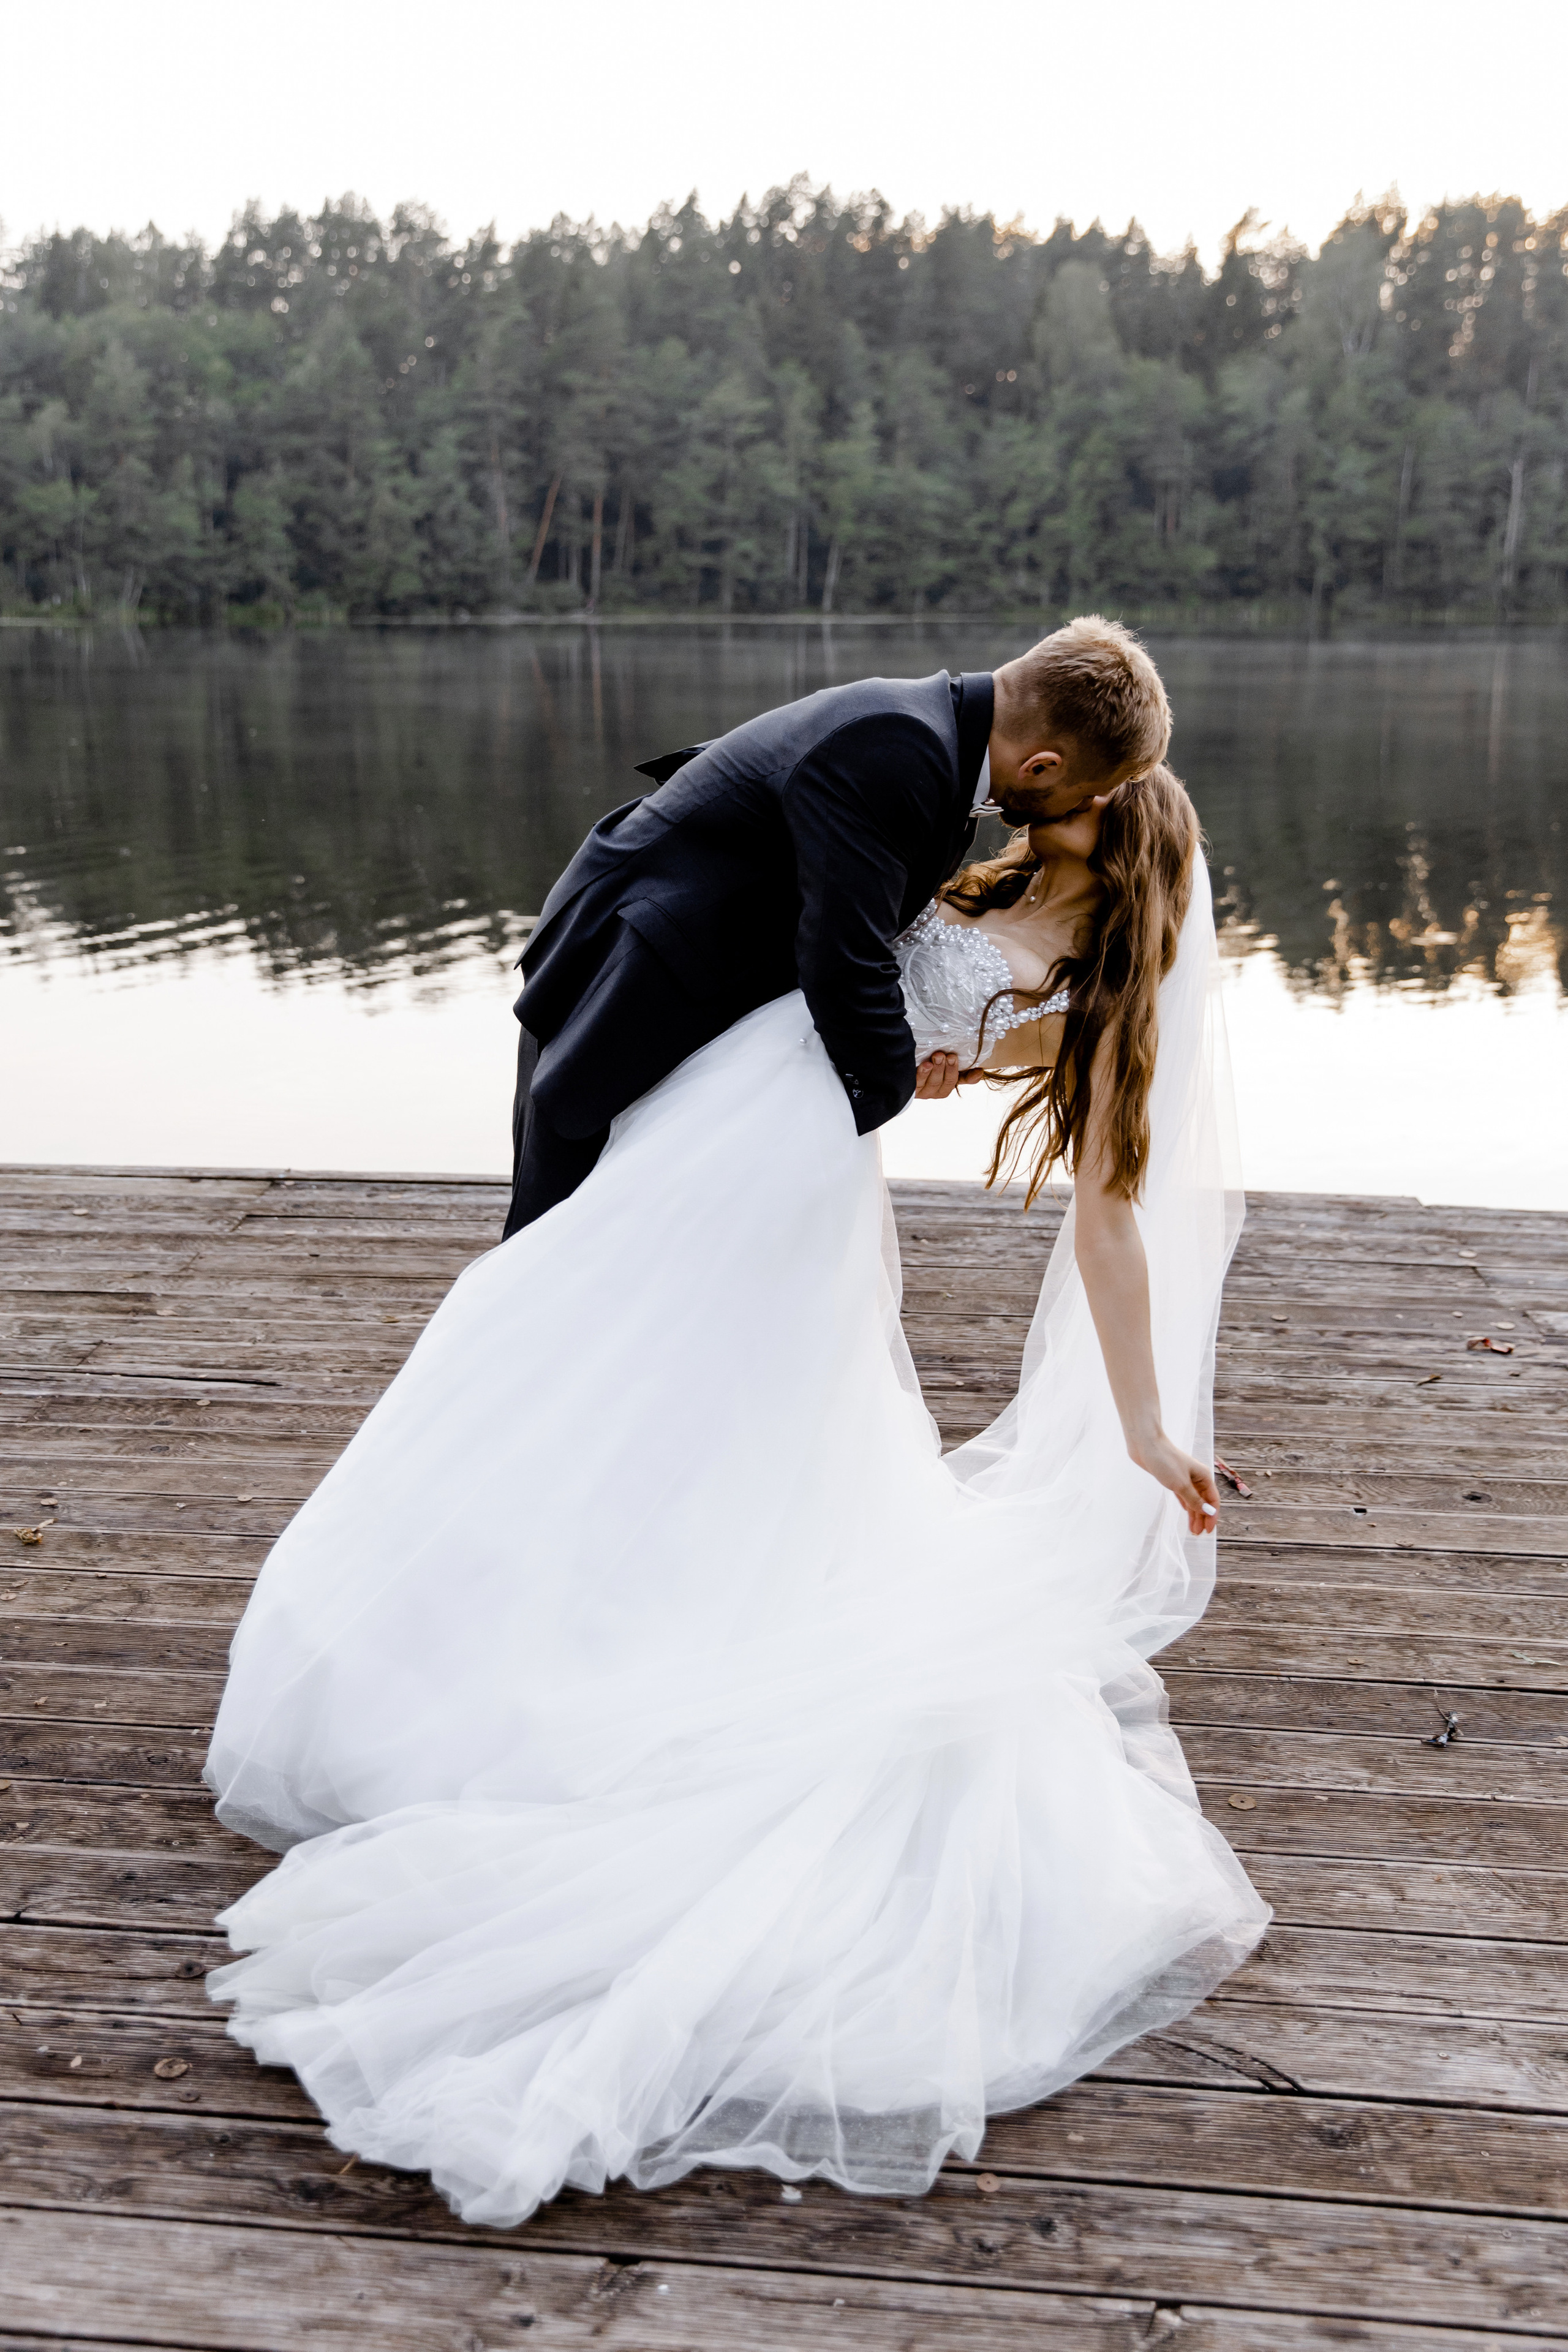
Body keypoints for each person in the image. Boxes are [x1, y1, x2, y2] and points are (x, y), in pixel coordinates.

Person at [204, 618, 1267, 2230]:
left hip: (781, 1133)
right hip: (760, 1113)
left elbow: (1100, 1211)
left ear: (1096, 830)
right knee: (602, 1355)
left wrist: (1141, 1422)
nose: (1021, 832)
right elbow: (838, 931)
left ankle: (533, 1634)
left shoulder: (1056, 943)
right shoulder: (946, 828)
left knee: (625, 1371)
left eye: (1054, 822)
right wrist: (902, 1079)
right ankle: (549, 1633)